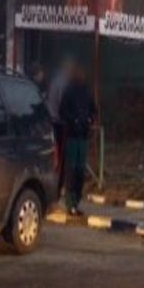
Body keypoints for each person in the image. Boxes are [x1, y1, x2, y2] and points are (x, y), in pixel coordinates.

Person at [59, 65, 97, 216]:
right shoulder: (69, 91)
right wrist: (73, 121)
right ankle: (71, 203)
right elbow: (62, 111)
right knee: (72, 170)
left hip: (82, 135)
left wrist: (89, 120)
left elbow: (93, 109)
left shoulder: (86, 91)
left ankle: (76, 201)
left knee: (79, 170)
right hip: (73, 136)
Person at [47, 59, 75, 197]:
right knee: (62, 157)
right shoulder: (63, 83)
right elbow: (63, 105)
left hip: (52, 122)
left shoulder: (55, 81)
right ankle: (59, 187)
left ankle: (56, 185)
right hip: (60, 123)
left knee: (56, 155)